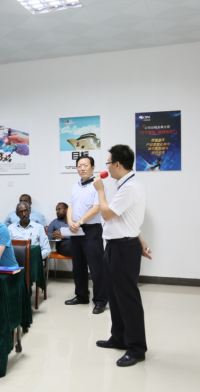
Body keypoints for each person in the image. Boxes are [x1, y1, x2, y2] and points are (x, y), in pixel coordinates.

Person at [93, 145, 151, 368]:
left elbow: (107, 214)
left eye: (108, 163)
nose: (107, 167)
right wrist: (141, 240)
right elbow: (129, 219)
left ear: (117, 164)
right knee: (115, 297)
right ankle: (118, 337)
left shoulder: (130, 187)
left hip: (124, 249)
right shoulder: (125, 185)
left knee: (128, 299)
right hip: (115, 246)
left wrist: (100, 190)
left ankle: (136, 349)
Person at [66, 155, 108, 315]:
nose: (82, 168)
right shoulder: (75, 186)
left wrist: (80, 221)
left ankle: (101, 300)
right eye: (79, 166)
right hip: (75, 230)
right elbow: (70, 205)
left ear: (93, 167)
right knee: (78, 266)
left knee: (97, 268)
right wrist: (70, 221)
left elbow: (97, 208)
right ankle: (81, 295)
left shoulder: (98, 185)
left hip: (91, 230)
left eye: (85, 165)